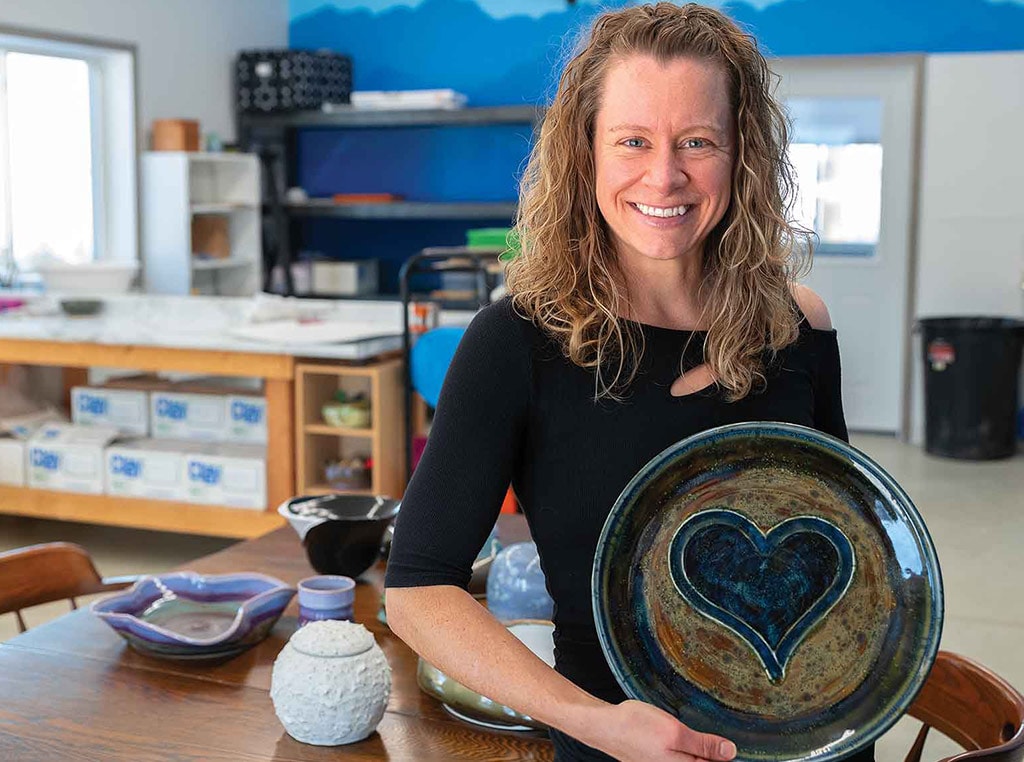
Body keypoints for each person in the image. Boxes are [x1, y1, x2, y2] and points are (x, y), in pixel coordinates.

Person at [385, 4, 861, 761]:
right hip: (622, 744)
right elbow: (417, 592)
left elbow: (848, 546)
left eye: (697, 142)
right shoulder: (515, 343)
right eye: (633, 140)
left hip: (813, 741)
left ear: (742, 155)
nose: (664, 175)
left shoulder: (798, 326)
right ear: (587, 152)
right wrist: (593, 721)